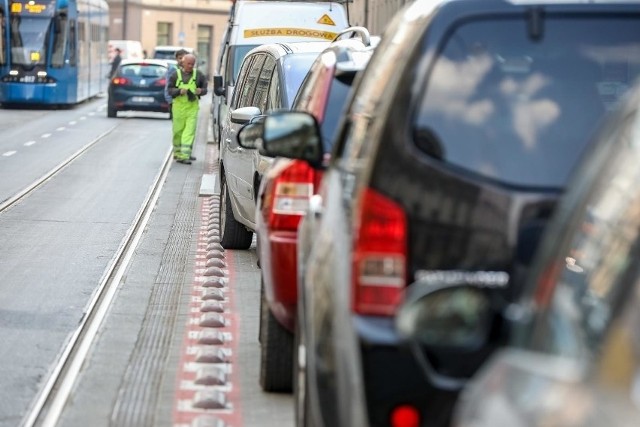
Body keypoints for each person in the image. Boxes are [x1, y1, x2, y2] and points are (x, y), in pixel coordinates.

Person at [167, 53, 208, 164]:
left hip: (192, 108)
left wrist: (201, 91)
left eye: (192, 64)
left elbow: (205, 89)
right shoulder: (175, 75)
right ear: (183, 63)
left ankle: (185, 155)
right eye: (188, 64)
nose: (190, 66)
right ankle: (177, 152)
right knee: (177, 131)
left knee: (189, 131)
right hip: (178, 109)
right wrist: (179, 91)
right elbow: (169, 90)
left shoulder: (198, 75)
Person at [164, 48, 188, 116]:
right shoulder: (173, 70)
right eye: (180, 58)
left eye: (184, 58)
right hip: (175, 102)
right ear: (176, 59)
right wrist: (170, 101)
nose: (182, 60)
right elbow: (168, 85)